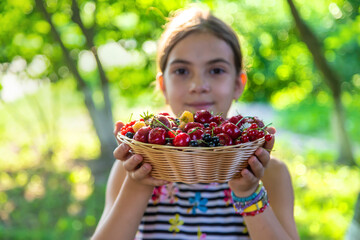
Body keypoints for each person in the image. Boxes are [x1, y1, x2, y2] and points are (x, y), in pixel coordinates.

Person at [92, 7, 299, 240]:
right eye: (181, 70)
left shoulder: (267, 173)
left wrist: (247, 193)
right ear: (163, 86)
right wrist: (139, 184)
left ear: (238, 84)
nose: (198, 84)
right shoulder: (135, 166)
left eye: (216, 70)